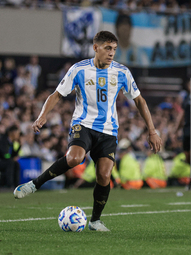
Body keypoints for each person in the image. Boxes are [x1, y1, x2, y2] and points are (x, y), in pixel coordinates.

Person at [14, 31, 162, 232]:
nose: (111, 53)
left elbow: (139, 101)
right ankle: (34, 184)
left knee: (104, 175)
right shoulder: (79, 69)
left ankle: (95, 221)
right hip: (83, 124)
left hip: (109, 130)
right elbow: (56, 95)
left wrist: (152, 130)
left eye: (114, 49)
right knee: (75, 158)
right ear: (96, 48)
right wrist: (42, 116)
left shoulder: (122, 72)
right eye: (107, 48)